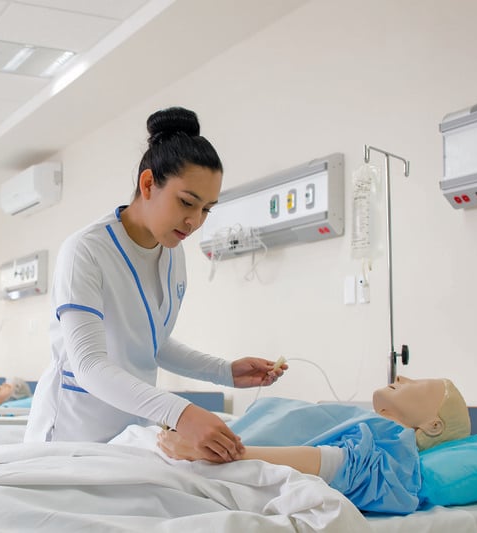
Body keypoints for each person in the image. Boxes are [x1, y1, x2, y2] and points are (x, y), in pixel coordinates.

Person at [25, 106, 287, 462]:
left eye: (207, 209)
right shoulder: (86, 251)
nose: (195, 221)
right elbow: (88, 366)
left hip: (131, 435)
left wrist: (225, 371)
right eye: (186, 202)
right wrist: (181, 413)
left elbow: (150, 344)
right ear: (148, 184)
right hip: (72, 432)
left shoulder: (171, 252)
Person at [157, 375, 471, 514]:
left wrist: (218, 451)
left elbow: (333, 463)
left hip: (214, 457)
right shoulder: (369, 423)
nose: (403, 376)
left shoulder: (396, 451)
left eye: (421, 385)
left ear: (433, 425)